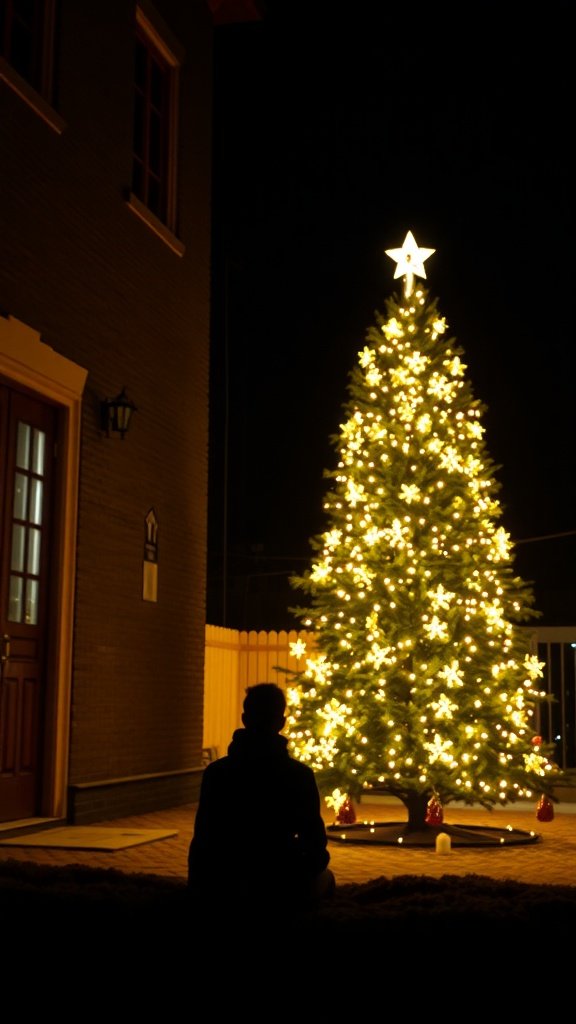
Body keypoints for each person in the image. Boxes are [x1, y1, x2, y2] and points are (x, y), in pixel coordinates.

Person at [188, 682, 335, 917]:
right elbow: (315, 843)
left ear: (245, 719)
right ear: (281, 723)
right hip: (279, 881)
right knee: (327, 879)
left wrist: (200, 886)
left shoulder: (217, 772)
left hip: (225, 880)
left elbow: (204, 836)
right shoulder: (298, 775)